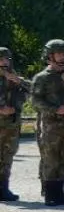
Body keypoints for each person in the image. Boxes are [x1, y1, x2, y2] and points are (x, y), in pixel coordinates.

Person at [30, 40, 64, 206]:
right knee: (51, 159)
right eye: (59, 54)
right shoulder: (42, 78)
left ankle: (60, 191)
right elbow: (35, 101)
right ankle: (50, 194)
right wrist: (55, 109)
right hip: (51, 126)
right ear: (50, 56)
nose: (62, 57)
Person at [0, 47, 31, 202]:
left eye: (6, 59)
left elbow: (35, 89)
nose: (4, 62)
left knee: (7, 156)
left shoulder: (15, 79)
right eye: (1, 59)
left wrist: (18, 81)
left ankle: (3, 188)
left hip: (11, 124)